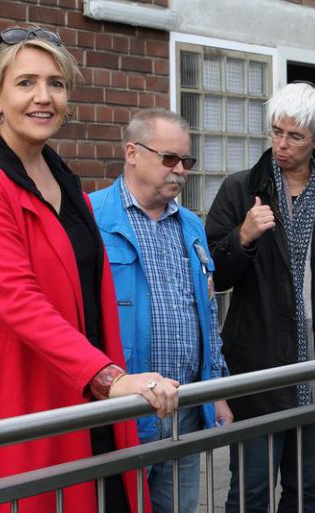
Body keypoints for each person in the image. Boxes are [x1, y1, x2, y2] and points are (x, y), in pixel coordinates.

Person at [0, 26, 179, 513]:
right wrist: (107, 377)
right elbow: (16, 297)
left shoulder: (59, 175)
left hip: (78, 391)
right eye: (25, 83)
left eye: (56, 84)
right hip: (14, 394)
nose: (43, 97)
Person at [205, 82, 315, 513]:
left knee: (306, 487)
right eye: (276, 131)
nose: (281, 144)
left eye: (294, 136)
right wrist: (243, 236)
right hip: (258, 357)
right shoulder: (241, 189)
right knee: (251, 489)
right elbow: (215, 275)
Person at [89, 108, 233, 513]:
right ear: (132, 153)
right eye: (169, 159)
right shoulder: (91, 217)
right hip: (123, 414)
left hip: (184, 407)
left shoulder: (190, 225)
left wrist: (216, 390)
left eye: (187, 161)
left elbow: (206, 311)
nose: (181, 170)